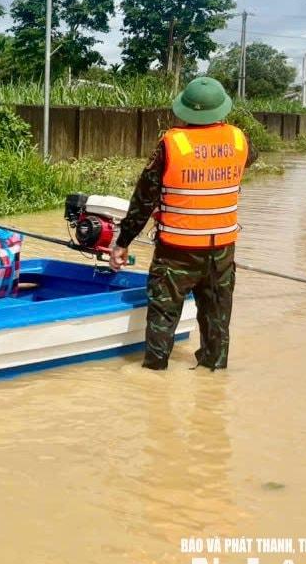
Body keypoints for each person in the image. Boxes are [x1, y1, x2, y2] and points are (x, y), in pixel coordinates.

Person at [108, 76, 257, 371]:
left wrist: (122, 242)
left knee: (163, 316)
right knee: (217, 319)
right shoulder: (240, 140)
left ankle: (154, 377)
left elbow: (143, 201)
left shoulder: (171, 145)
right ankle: (214, 377)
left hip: (177, 252)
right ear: (222, 110)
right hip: (222, 252)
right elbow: (246, 160)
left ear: (185, 111)